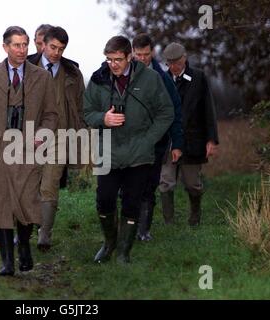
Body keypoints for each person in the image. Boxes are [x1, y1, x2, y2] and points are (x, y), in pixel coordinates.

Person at [0, 26, 58, 276]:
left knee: (26, 202)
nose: (22, 49)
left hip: (28, 149)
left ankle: (24, 244)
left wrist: (42, 136)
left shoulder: (42, 77)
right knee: (0, 204)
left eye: (25, 44)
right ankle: (7, 261)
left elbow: (51, 115)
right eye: (17, 45)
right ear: (5, 47)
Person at [84, 36, 174, 264]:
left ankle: (123, 252)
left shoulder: (151, 78)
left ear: (129, 57)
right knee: (104, 200)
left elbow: (166, 113)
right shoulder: (98, 78)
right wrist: (102, 118)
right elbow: (86, 112)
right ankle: (109, 243)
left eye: (117, 60)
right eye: (109, 59)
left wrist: (149, 141)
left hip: (139, 154)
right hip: (108, 152)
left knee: (132, 202)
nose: (112, 65)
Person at [28, 26, 85, 251]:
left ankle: (44, 234)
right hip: (30, 136)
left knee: (49, 186)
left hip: (61, 137)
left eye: (61, 49)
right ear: (43, 44)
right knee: (27, 185)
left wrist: (82, 136)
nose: (56, 53)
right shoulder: (26, 67)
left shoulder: (72, 73)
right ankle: (24, 232)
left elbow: (81, 107)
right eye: (52, 47)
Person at [159, 42, 219, 226]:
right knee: (165, 181)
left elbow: (208, 109)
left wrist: (212, 139)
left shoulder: (199, 78)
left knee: (192, 183)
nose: (173, 66)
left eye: (176, 62)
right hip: (168, 140)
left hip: (193, 140)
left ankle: (195, 217)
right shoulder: (161, 79)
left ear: (184, 58)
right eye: (169, 63)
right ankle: (169, 222)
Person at [132, 33, 184, 241]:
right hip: (128, 141)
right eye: (139, 54)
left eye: (146, 54)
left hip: (155, 142)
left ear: (152, 52)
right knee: (128, 186)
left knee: (149, 186)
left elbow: (175, 111)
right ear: (132, 53)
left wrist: (177, 143)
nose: (143, 58)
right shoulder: (123, 73)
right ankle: (128, 227)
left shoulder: (163, 78)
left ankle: (143, 231)